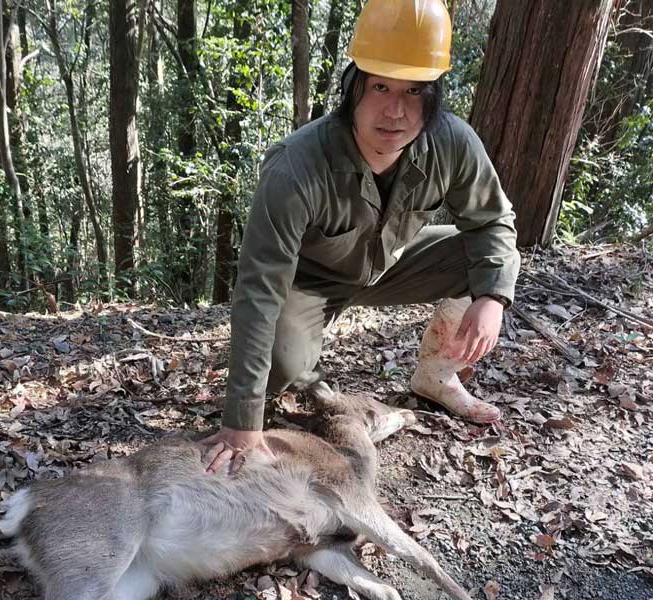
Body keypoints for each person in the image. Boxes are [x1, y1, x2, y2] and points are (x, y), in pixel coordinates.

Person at [204, 0, 520, 473]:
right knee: (280, 366)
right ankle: (300, 371)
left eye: (414, 90)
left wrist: (492, 297)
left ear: (434, 97)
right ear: (353, 87)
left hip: (392, 264)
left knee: (485, 265)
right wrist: (241, 423)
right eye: (380, 86)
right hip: (308, 283)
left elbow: (493, 221)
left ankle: (435, 377)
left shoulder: (452, 142)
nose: (395, 110)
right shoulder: (295, 167)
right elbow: (259, 288)